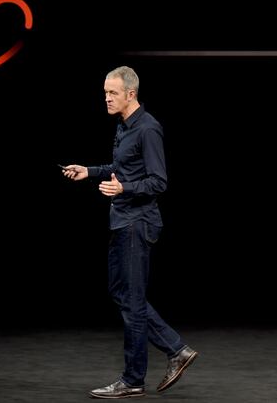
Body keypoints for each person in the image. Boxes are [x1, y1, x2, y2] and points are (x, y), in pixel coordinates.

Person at [62, 65, 198, 399]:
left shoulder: (148, 129)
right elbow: (120, 169)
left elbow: (158, 181)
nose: (106, 98)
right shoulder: (124, 127)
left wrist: (124, 189)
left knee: (133, 301)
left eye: (112, 93)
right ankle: (176, 350)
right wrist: (90, 171)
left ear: (130, 94)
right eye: (105, 92)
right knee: (122, 294)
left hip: (138, 222)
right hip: (122, 221)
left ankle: (133, 378)